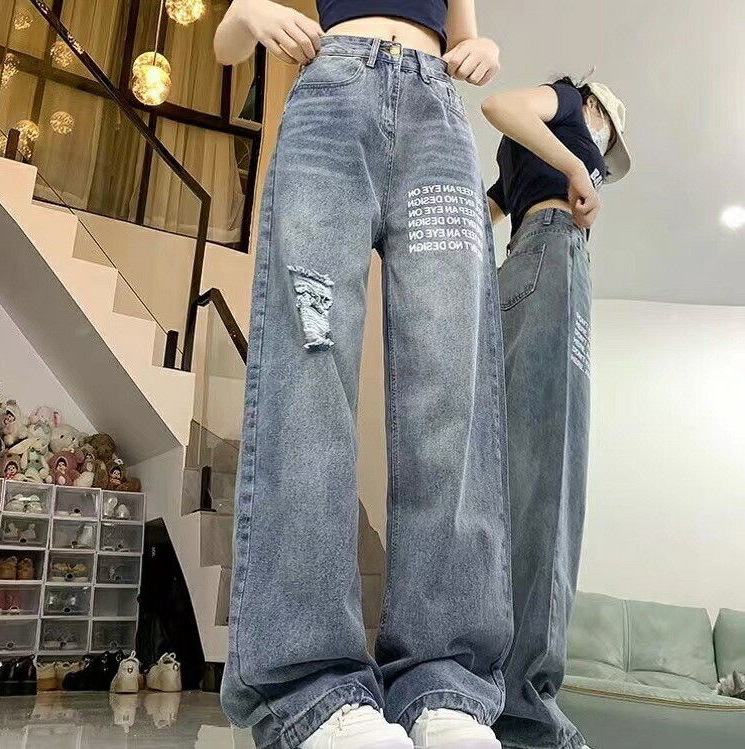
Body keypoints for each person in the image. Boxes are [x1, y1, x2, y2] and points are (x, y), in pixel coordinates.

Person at [214, 3, 513, 749]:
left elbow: (466, 32)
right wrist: (249, 12)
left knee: (451, 392)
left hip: (438, 119)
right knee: (307, 380)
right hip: (329, 100)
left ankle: (444, 686)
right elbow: (224, 42)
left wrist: (482, 47)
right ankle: (315, 691)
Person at [481, 79, 631, 749]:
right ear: (594, 109)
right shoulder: (569, 100)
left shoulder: (518, 160)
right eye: (607, 138)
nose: (602, 155)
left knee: (503, 479)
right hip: (552, 255)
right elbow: (500, 105)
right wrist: (576, 165)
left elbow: (482, 210)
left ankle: (475, 687)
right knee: (552, 476)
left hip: (515, 269)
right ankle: (524, 708)